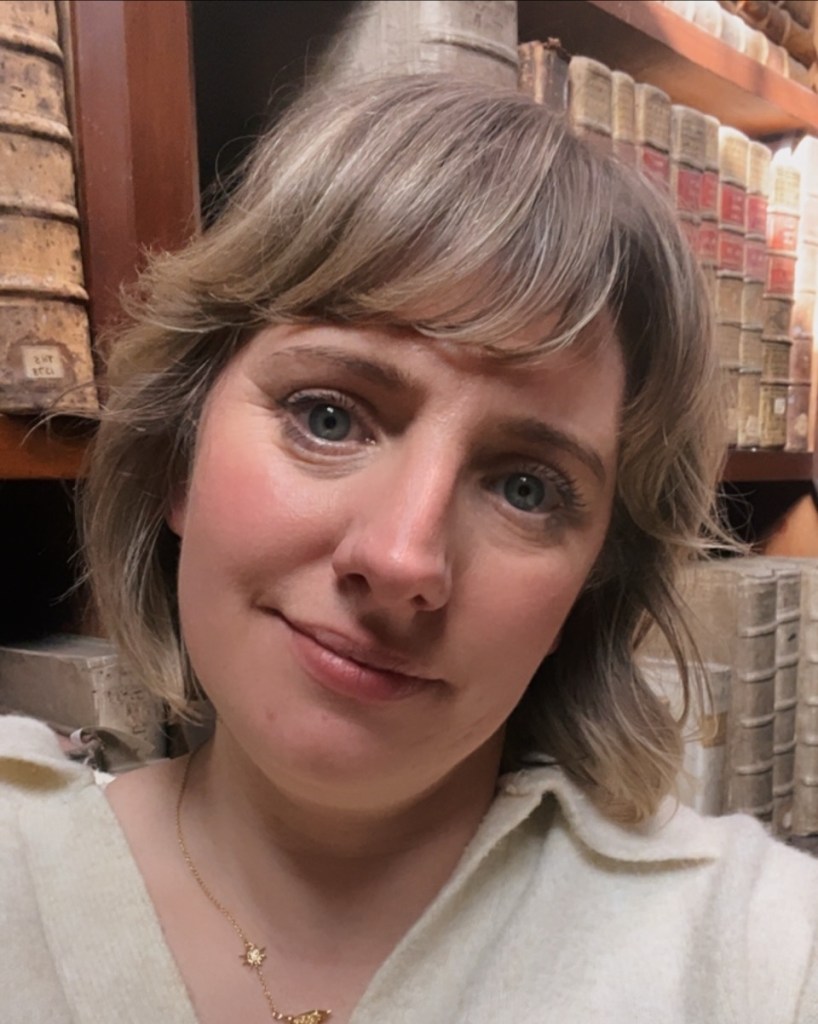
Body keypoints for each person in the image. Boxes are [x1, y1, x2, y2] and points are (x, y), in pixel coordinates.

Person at [2, 74, 816, 1024]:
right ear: (178, 455)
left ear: (590, 587)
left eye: (526, 488)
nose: (402, 560)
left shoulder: (756, 951)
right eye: (329, 416)